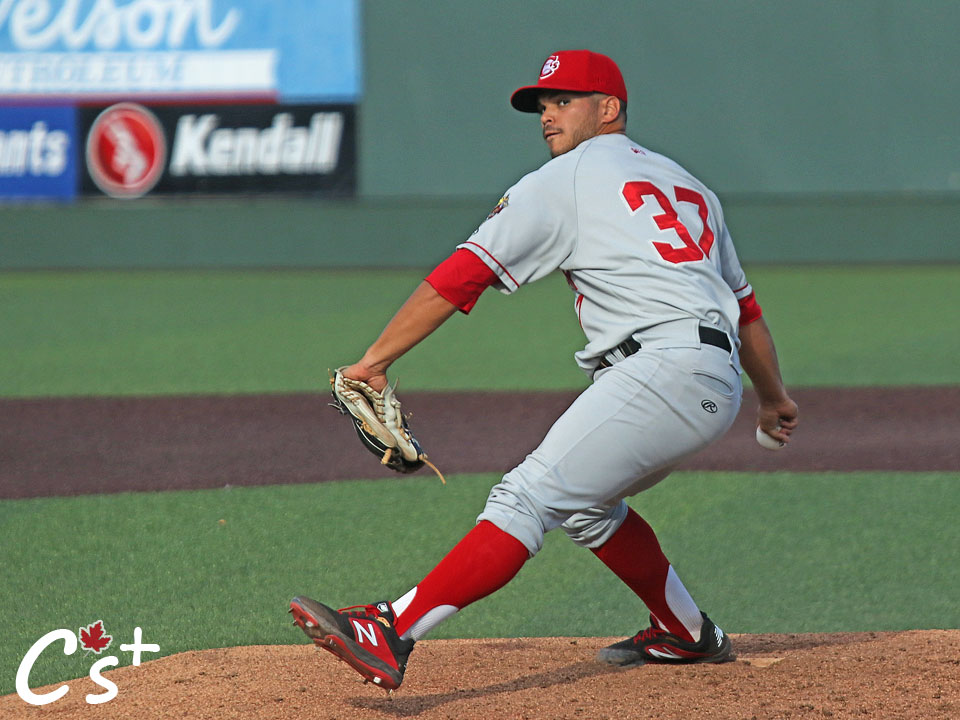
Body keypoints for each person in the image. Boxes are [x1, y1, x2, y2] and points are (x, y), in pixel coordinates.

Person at [290, 49, 799, 691]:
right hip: (710, 377)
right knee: (587, 506)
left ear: (608, 108)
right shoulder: (690, 186)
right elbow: (744, 308)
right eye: (542, 104)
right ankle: (683, 630)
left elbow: (465, 272)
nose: (547, 116)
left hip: (663, 370)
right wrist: (773, 397)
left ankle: (391, 630)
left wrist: (375, 361)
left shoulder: (565, 179)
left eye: (564, 101)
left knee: (526, 497)